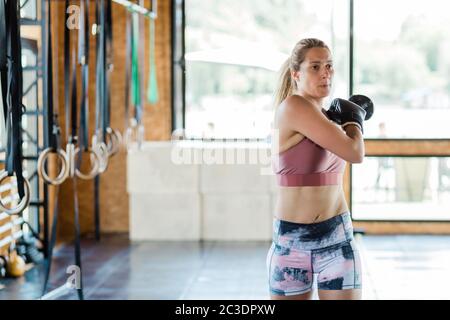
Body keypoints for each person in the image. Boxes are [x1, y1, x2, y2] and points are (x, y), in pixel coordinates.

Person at [267, 38, 368, 300]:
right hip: (292, 242)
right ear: (296, 74)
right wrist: (354, 120)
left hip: (337, 235)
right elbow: (355, 152)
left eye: (329, 65)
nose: (326, 73)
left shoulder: (326, 117)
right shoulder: (294, 107)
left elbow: (351, 150)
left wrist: (346, 121)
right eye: (315, 67)